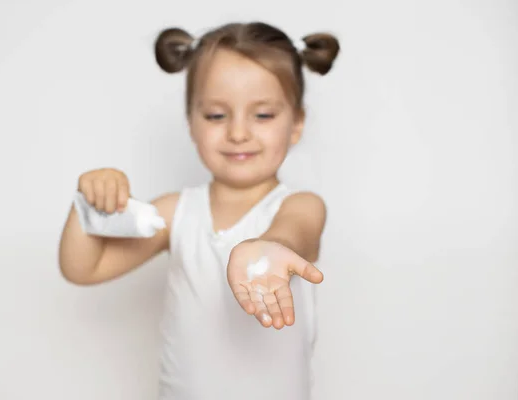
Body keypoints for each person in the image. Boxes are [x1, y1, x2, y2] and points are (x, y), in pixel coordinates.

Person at [58, 21, 339, 400]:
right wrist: (88, 207)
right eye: (216, 116)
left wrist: (267, 247)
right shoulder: (177, 212)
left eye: (263, 115)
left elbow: (294, 232)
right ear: (191, 122)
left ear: (296, 124)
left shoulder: (299, 206)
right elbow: (83, 268)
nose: (238, 133)